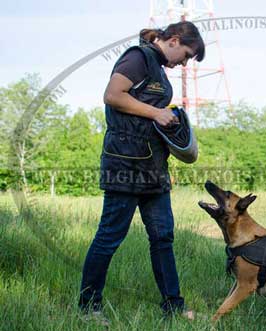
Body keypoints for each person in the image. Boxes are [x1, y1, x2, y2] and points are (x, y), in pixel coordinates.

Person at [78, 21, 205, 323]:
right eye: (186, 55)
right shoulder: (138, 57)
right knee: (109, 237)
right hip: (124, 165)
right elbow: (113, 95)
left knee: (163, 237)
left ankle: (173, 307)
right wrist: (157, 113)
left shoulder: (159, 68)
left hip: (153, 169)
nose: (184, 63)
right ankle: (88, 308)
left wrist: (171, 122)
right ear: (174, 40)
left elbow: (150, 114)